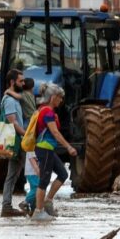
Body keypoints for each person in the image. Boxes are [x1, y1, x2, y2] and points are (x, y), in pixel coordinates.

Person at [31, 84, 77, 221]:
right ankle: (38, 212)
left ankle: (48, 201)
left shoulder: (45, 110)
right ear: (52, 97)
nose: (61, 100)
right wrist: (68, 147)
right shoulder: (47, 112)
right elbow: (55, 133)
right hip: (44, 148)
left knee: (63, 174)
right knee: (44, 180)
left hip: (49, 149)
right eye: (59, 97)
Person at [0, 70, 28, 217]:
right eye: (20, 81)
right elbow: (12, 122)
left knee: (13, 174)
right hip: (16, 140)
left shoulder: (13, 98)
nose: (23, 83)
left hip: (17, 140)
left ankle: (7, 206)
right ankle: (35, 204)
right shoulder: (10, 100)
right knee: (32, 171)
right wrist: (26, 135)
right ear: (12, 82)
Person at [24, 151, 41, 216]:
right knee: (37, 188)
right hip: (33, 172)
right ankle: (25, 202)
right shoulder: (32, 146)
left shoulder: (31, 145)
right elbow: (33, 158)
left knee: (33, 189)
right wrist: (38, 170)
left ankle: (33, 209)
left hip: (31, 172)